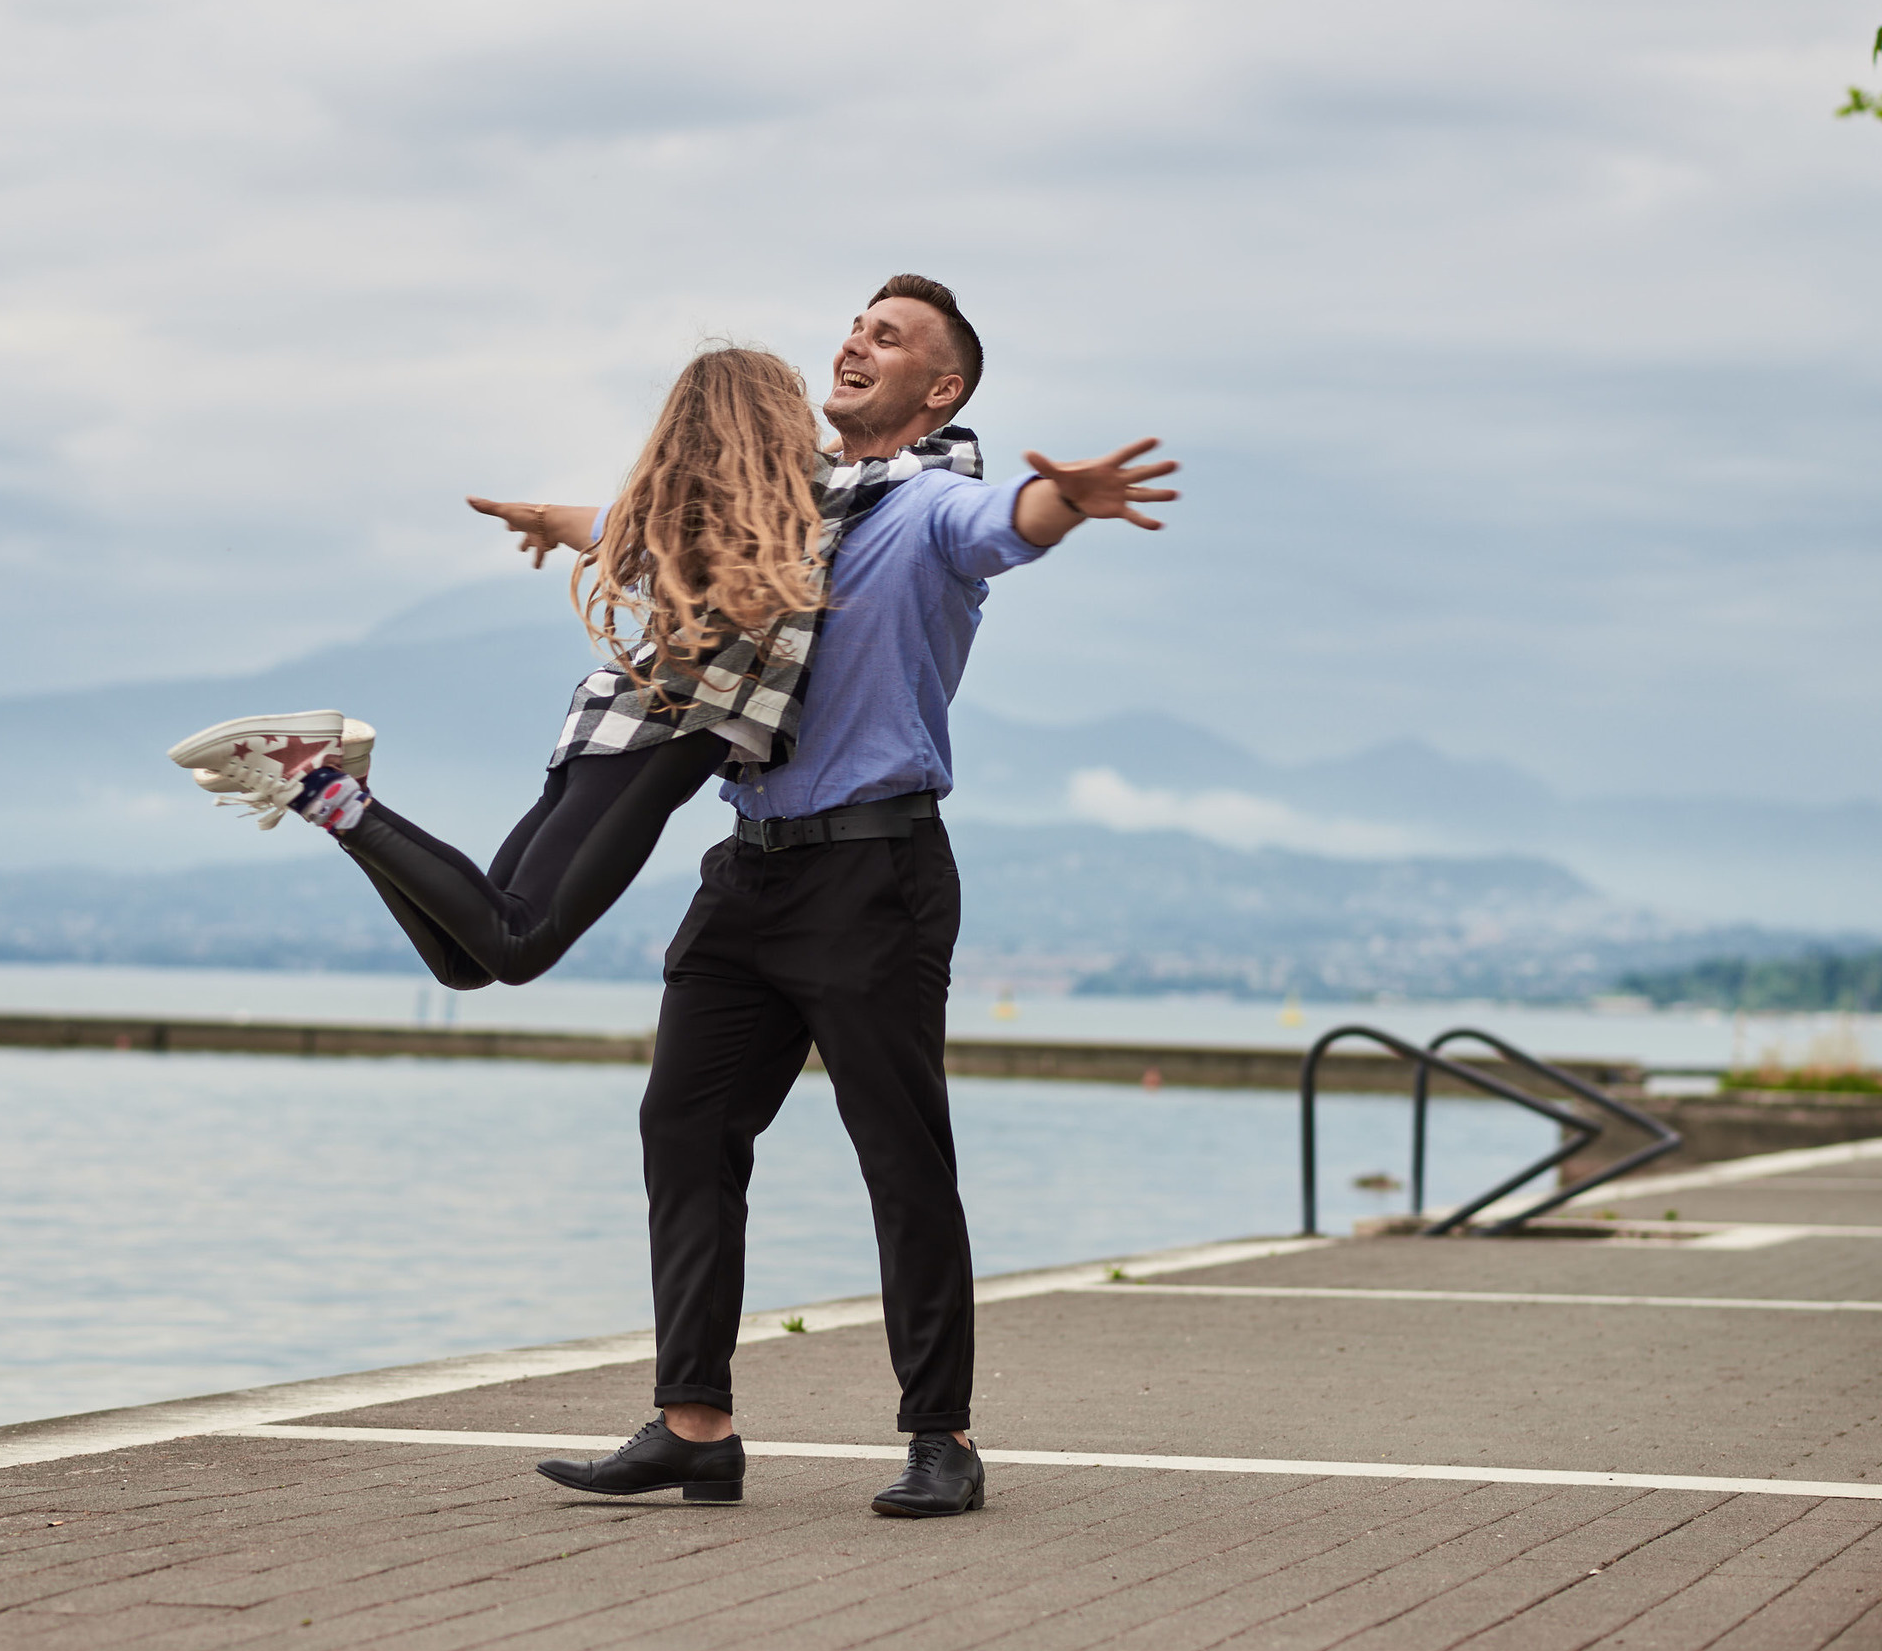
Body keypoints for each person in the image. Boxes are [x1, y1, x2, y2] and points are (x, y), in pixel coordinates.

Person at [507, 276, 1178, 1519]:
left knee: (899, 1152)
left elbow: (1003, 523)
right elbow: (659, 532)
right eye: (857, 325)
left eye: (891, 336)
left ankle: (942, 1435)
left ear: (942, 388)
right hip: (748, 869)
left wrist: (1067, 502)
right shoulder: (790, 511)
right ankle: (694, 1426)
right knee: (684, 1129)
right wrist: (564, 519)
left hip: (875, 874)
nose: (857, 342)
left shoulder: (928, 507)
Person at [165, 343, 970, 990]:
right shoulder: (807, 501)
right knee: (517, 942)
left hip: (610, 732)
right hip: (658, 739)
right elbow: (925, 472)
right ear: (770, 419)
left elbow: (617, 523)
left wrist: (552, 518)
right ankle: (318, 785)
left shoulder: (700, 511)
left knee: (466, 961)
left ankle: (341, 789)